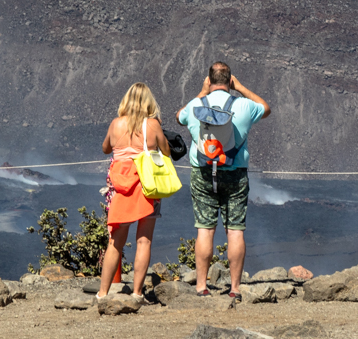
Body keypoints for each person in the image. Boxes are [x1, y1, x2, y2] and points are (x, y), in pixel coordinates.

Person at [177, 62, 270, 300]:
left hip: (203, 172)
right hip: (235, 172)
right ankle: (235, 289)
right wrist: (240, 88)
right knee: (235, 231)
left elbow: (179, 117)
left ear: (209, 80)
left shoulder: (197, 104)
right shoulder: (244, 106)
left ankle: (201, 287)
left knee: (205, 230)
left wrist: (201, 93)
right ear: (230, 81)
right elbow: (265, 108)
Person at [97, 82, 166, 299]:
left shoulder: (116, 124)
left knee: (115, 241)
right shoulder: (152, 125)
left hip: (119, 186)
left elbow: (106, 148)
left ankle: (102, 293)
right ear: (149, 102)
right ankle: (137, 293)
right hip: (146, 184)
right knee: (144, 240)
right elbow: (166, 151)